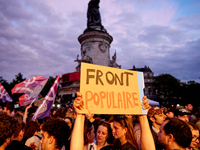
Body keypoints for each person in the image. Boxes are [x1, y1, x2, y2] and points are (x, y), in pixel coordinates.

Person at [70, 92, 155, 150]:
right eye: (98, 132)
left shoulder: (128, 148)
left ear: (125, 129)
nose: (113, 130)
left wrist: (143, 116)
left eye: (116, 128)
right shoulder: (116, 144)